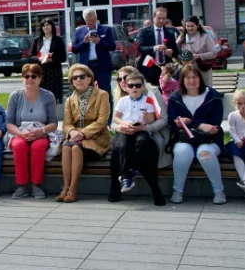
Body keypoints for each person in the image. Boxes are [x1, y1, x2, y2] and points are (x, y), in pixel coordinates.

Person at [167, 63, 225, 204]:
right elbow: (171, 122)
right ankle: (178, 190)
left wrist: (195, 123)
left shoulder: (213, 96)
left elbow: (215, 122)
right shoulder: (175, 98)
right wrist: (198, 124)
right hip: (184, 139)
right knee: (182, 152)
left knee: (204, 153)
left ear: (200, 78)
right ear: (182, 80)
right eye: (187, 78)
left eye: (195, 77)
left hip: (209, 139)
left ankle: (219, 191)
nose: (192, 81)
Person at [109, 69, 167, 206]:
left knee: (144, 147)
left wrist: (145, 126)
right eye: (120, 79)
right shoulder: (121, 98)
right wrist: (120, 127)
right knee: (119, 146)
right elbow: (113, 120)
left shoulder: (151, 94)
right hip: (125, 131)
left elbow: (162, 119)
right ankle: (120, 183)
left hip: (149, 133)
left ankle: (136, 179)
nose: (123, 82)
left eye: (125, 78)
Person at [6, 63, 58, 199]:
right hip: (19, 132)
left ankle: (36, 185)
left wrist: (41, 131)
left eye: (33, 76)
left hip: (41, 131)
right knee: (19, 146)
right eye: (26, 76)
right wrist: (21, 134)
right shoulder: (15, 96)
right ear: (22, 78)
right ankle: (22, 186)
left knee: (38, 146)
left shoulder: (48, 96)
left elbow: (54, 123)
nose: (30, 79)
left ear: (40, 78)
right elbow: (9, 123)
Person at [59, 64, 111, 203]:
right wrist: (72, 132)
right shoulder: (70, 99)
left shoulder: (102, 95)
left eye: (82, 76)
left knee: (75, 147)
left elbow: (102, 121)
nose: (78, 80)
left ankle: (72, 189)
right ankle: (65, 187)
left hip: (96, 138)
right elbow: (66, 123)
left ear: (90, 79)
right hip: (75, 137)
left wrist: (82, 134)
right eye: (74, 78)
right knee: (66, 146)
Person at [71, 8, 116, 106]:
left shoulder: (106, 29)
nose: (90, 23)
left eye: (92, 20)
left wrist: (100, 42)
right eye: (88, 21)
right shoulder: (79, 31)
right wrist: (84, 42)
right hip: (87, 67)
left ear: (96, 18)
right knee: (86, 93)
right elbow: (74, 49)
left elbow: (112, 47)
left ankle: (107, 120)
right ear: (84, 20)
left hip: (102, 66)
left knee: (105, 93)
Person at [135, 7, 179, 86]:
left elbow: (176, 51)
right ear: (154, 18)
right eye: (159, 18)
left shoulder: (170, 33)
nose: (161, 21)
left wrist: (171, 52)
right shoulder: (144, 32)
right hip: (148, 68)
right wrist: (154, 48)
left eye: (164, 18)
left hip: (165, 70)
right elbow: (140, 48)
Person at [30, 19, 67, 103]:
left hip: (54, 72)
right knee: (41, 96)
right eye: (44, 26)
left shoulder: (58, 40)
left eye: (48, 25)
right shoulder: (37, 40)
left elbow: (63, 57)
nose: (46, 27)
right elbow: (31, 56)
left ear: (52, 27)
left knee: (54, 97)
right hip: (41, 71)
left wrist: (51, 59)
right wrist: (39, 58)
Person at [177, 16, 215, 88]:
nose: (190, 28)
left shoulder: (205, 37)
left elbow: (213, 53)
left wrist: (199, 56)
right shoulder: (182, 37)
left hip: (202, 69)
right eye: (187, 26)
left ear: (197, 26)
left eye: (192, 26)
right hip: (188, 70)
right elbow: (176, 52)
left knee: (204, 89)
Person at [226, 89, 245, 196]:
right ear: (234, 104)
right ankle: (244, 182)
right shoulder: (232, 115)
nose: (243, 106)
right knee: (236, 154)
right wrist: (237, 140)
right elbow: (232, 130)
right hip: (237, 142)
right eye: (239, 103)